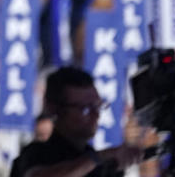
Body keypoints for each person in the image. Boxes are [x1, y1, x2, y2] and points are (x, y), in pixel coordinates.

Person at [9, 67, 141, 177]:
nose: (96, 115)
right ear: (54, 109)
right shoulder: (35, 155)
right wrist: (98, 158)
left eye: (98, 106)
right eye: (85, 109)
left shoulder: (98, 163)